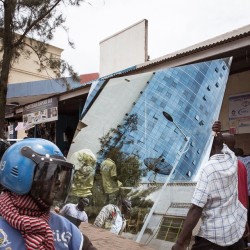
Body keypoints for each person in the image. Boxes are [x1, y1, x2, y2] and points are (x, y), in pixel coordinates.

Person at [0, 138, 96, 250]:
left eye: (59, 175)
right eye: (51, 174)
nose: (58, 182)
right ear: (22, 174)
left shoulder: (66, 229)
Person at [172, 123, 247, 250]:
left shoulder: (209, 169)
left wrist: (180, 243)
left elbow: (196, 208)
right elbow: (225, 146)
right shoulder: (233, 161)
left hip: (214, 234)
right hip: (234, 229)